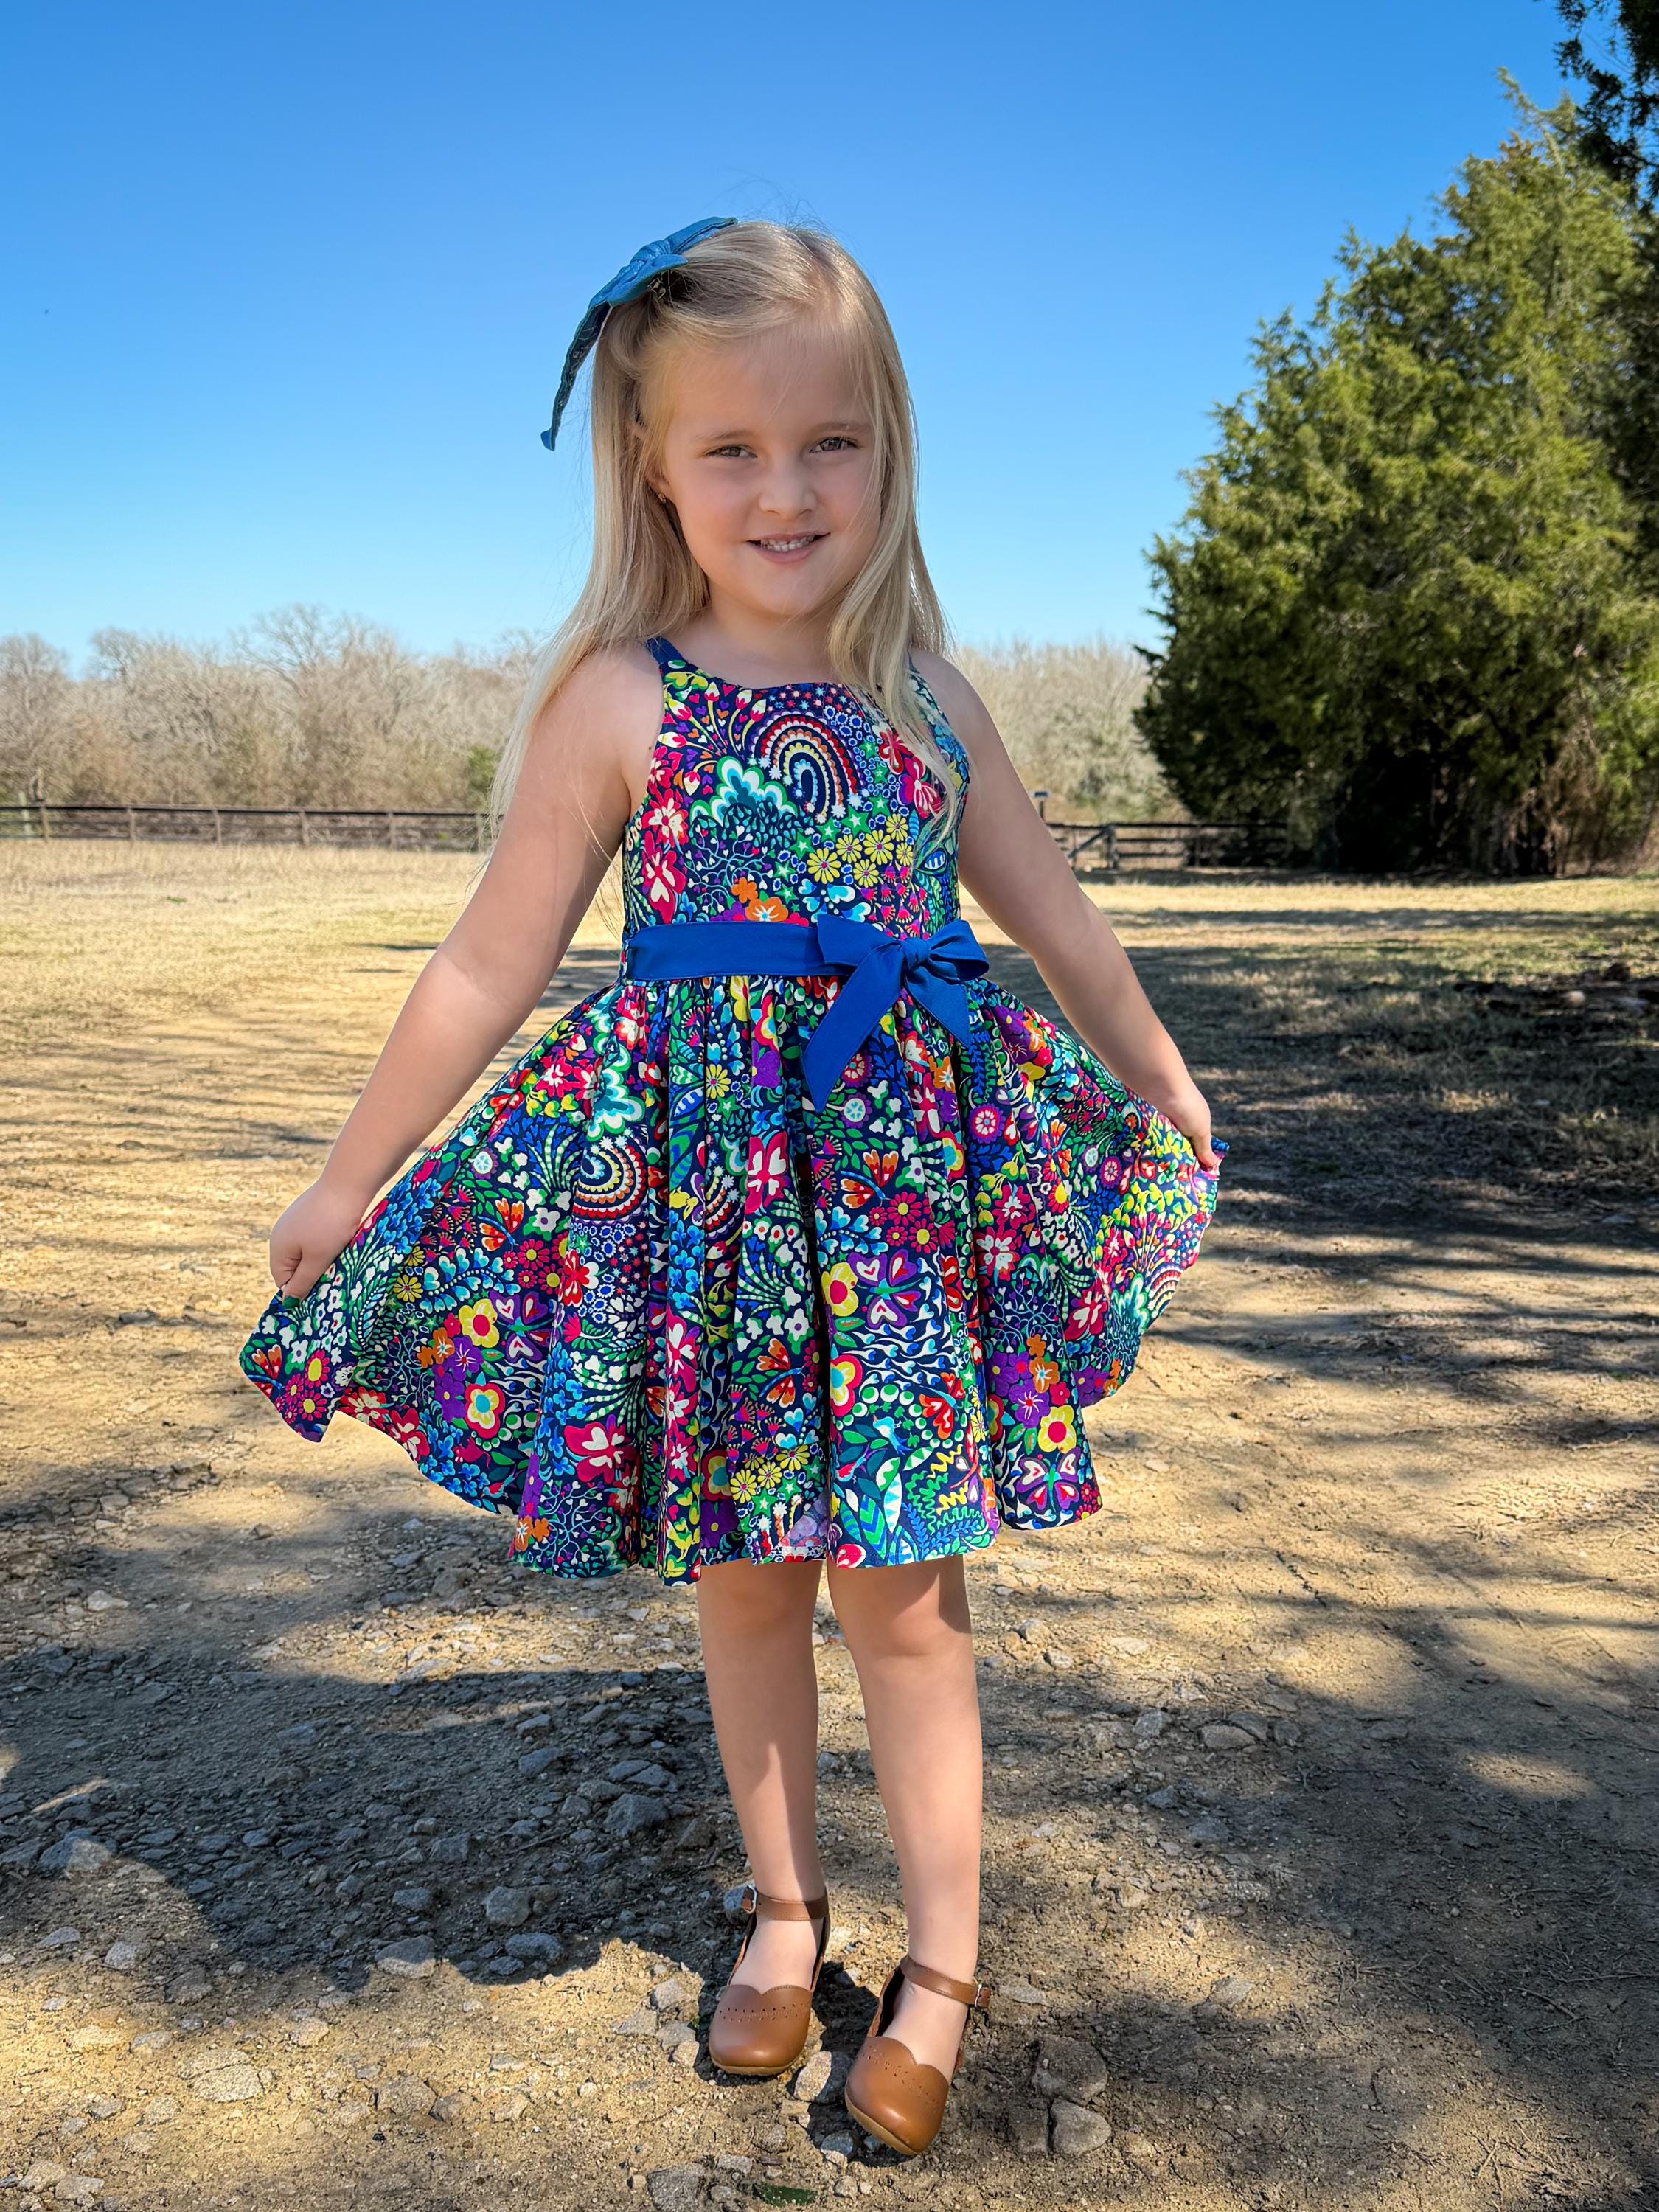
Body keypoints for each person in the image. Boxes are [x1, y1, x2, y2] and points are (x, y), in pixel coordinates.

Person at [238, 216, 1224, 2160]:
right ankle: (786, 1914)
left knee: (906, 1598)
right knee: (750, 1584)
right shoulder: (622, 700)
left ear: (889, 450)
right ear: (654, 467)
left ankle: (945, 1964)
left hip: (899, 1222)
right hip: (715, 1230)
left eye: (830, 442)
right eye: (734, 450)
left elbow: (1059, 920)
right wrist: (354, 1177)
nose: (787, 490)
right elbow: (485, 963)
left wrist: (1165, 1083)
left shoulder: (931, 702)